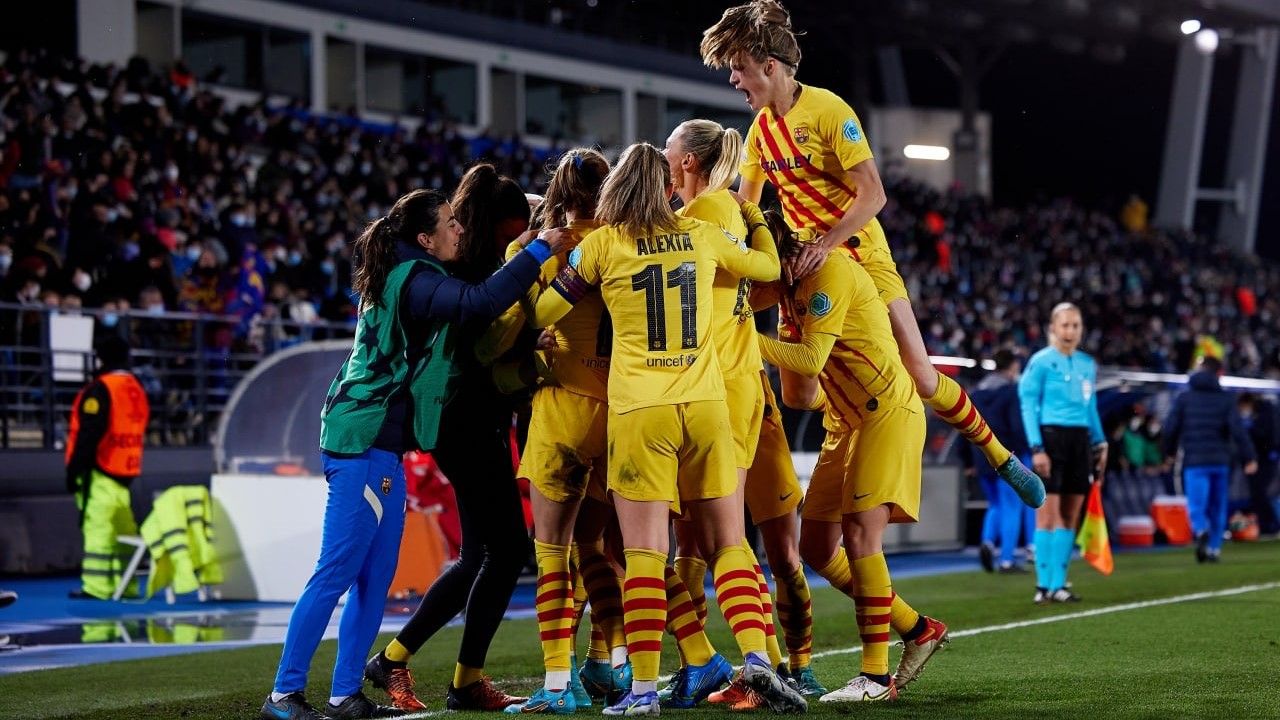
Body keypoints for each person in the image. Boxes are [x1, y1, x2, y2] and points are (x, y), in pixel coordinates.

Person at [699, 0, 1044, 509]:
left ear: (769, 67)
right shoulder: (758, 132)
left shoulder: (830, 111)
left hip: (858, 254)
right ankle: (850, 404)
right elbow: (746, 209)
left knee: (924, 376)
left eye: (739, 69)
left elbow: (874, 194)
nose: (733, 80)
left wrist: (825, 243)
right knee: (796, 395)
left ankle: (998, 455)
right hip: (804, 265)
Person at [262, 188, 571, 720]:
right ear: (426, 238)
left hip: (382, 442)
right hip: (363, 436)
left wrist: (519, 248)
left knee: (374, 578)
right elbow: (479, 303)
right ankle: (283, 696)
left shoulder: (411, 275)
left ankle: (344, 695)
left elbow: (473, 304)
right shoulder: (416, 280)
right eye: (450, 223)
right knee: (336, 571)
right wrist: (540, 250)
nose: (459, 230)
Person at [532, 142, 804, 716]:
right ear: (664, 187)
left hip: (640, 412)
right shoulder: (701, 236)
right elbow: (770, 269)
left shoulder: (604, 244)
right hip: (705, 407)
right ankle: (758, 661)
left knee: (646, 553)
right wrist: (754, 219)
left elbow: (544, 310)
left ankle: (643, 692)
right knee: (729, 542)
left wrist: (544, 335)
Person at [363, 166, 544, 714]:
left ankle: (398, 659)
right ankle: (457, 678)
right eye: (510, 232)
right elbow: (479, 335)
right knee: (509, 549)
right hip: (464, 420)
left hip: (464, 420)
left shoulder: (467, 256)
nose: (512, 240)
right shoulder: (463, 271)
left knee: (480, 555)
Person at [660, 118, 820, 708]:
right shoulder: (730, 212)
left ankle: (760, 661)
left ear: (689, 164)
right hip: (742, 387)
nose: (663, 162)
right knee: (710, 540)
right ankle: (758, 662)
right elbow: (764, 277)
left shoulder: (695, 220)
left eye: (669, 154)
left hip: (713, 390)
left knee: (711, 540)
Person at [758, 212, 947, 704]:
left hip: (886, 411)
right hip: (845, 422)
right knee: (817, 548)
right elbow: (800, 396)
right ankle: (917, 627)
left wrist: (743, 337)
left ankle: (876, 677)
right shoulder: (786, 290)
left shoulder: (830, 272)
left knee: (862, 534)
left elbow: (810, 362)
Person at [1018, 303, 1107, 604]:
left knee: (1070, 516)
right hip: (1051, 439)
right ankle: (1043, 585)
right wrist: (1037, 448)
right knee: (1048, 515)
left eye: (1076, 326)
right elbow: (1028, 405)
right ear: (1053, 328)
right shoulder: (1041, 362)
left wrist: (1101, 442)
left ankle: (1059, 584)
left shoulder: (1086, 364)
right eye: (1065, 325)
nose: (1070, 331)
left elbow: (1090, 407)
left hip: (1080, 441)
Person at [65, 334, 149, 601]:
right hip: (126, 472)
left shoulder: (101, 389)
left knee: (98, 531)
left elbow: (89, 435)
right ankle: (129, 586)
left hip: (100, 472)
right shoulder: (135, 387)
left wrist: (73, 470)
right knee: (125, 533)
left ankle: (96, 588)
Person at [1162, 357, 1258, 562]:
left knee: (1197, 505)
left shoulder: (1185, 398)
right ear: (1219, 373)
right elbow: (1238, 431)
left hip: (1195, 461)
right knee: (1218, 506)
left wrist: (1168, 453)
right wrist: (1249, 457)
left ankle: (1200, 529)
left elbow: (1171, 428)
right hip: (1221, 461)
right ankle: (1214, 548)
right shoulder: (1225, 399)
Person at [965, 350, 1032, 573]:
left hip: (982, 457)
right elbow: (1016, 425)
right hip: (1007, 456)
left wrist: (970, 459)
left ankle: (987, 541)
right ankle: (1006, 560)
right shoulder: (1011, 391)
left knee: (995, 505)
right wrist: (1026, 450)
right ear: (1012, 367)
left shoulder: (976, 393)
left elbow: (966, 425)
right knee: (1011, 507)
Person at [1236, 392, 1280, 537]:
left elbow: (1269, 435)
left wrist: (1250, 428)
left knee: (1262, 492)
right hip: (1254, 459)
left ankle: (1271, 524)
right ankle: (1265, 525)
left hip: (1267, 458)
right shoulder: (1255, 415)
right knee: (1257, 493)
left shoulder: (1267, 412)